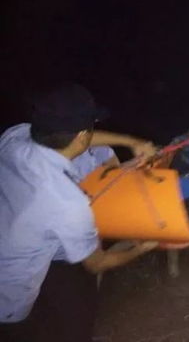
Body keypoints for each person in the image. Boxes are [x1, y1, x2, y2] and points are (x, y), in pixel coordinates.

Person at [0, 83, 158, 342]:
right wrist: (142, 248)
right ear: (82, 136)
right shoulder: (66, 200)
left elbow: (75, 137)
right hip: (10, 299)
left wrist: (131, 141)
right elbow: (97, 263)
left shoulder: (13, 139)